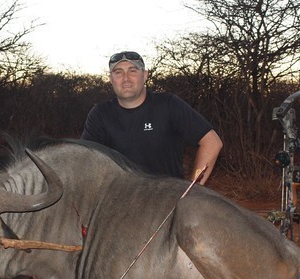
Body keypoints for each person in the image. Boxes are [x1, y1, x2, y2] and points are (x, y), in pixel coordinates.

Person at [81, 50, 222, 185]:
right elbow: (86, 160)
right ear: (111, 79)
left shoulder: (168, 104)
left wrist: (192, 191)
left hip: (166, 199)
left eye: (133, 71)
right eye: (118, 73)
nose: (126, 79)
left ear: (145, 75)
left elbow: (212, 142)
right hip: (119, 201)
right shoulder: (100, 113)